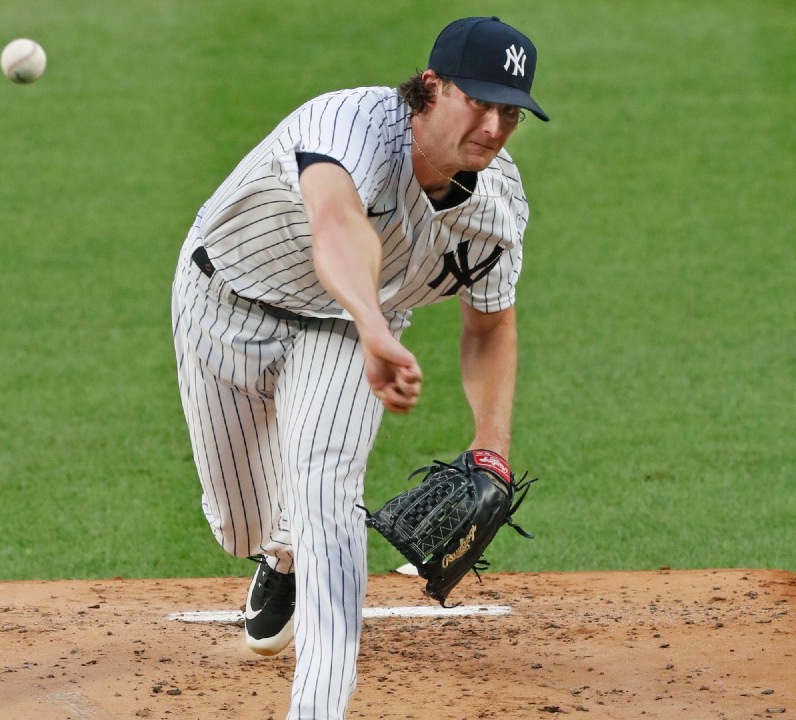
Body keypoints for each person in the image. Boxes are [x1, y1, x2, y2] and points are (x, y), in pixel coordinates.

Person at [170, 16, 547, 719]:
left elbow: (490, 325)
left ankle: (318, 708)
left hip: (345, 337)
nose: (496, 126)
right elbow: (337, 225)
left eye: (511, 112)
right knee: (240, 524)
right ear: (430, 90)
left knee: (328, 500)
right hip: (227, 300)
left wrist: (491, 447)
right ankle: (276, 554)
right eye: (481, 102)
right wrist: (377, 322)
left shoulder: (497, 210)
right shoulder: (350, 126)